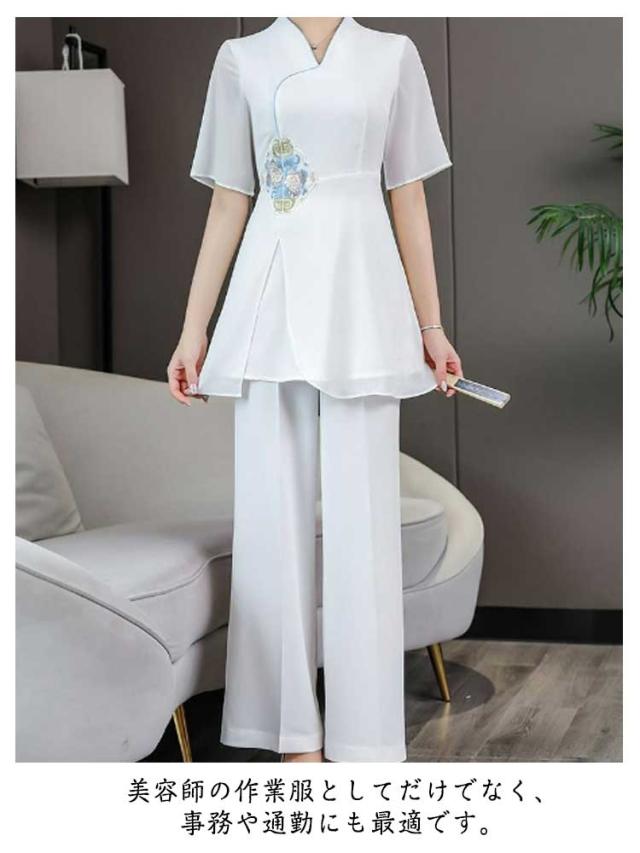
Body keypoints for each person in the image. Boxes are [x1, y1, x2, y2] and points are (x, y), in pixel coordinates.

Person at [167, 17, 463, 763]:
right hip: (268, 296)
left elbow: (409, 195)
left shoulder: (393, 56)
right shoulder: (241, 58)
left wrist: (431, 326)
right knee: (272, 523)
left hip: (362, 292)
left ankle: (366, 734)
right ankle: (290, 734)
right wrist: (194, 331)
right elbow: (230, 200)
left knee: (365, 525)